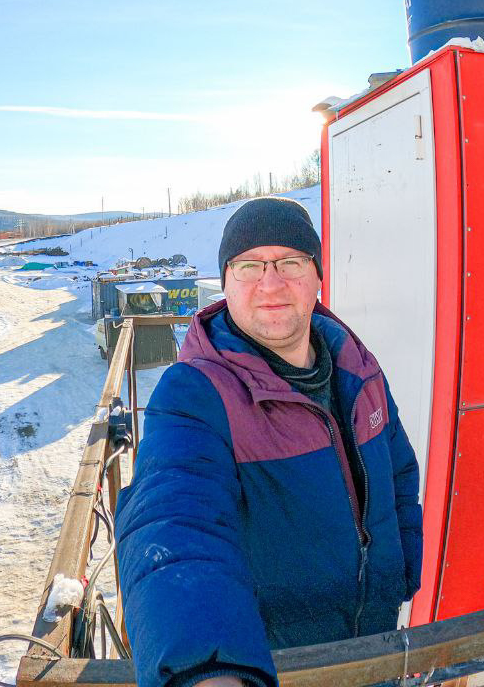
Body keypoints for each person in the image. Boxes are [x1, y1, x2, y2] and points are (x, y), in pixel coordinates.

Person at [114, 196, 423, 687]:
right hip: (273, 664)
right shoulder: (195, 393)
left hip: (375, 645)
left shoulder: (357, 366)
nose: (271, 283)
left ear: (317, 276)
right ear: (226, 283)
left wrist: (402, 570)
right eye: (249, 266)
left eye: (291, 263)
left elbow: (400, 472)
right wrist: (210, 668)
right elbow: (174, 518)